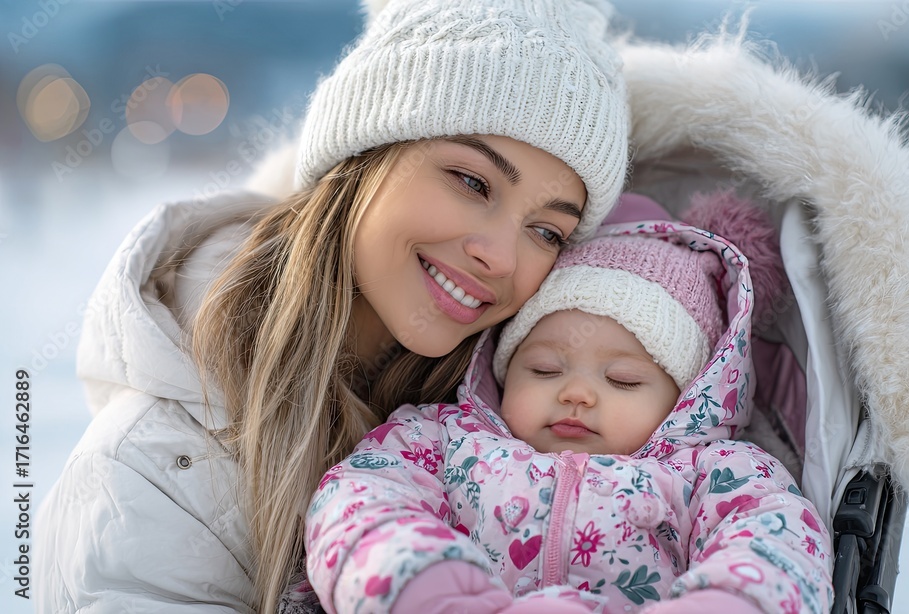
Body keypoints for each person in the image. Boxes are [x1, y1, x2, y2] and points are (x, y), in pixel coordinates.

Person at [33, 0, 630, 612]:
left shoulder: (525, 431)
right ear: (365, 155)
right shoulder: (146, 478)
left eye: (547, 231)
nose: (502, 258)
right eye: (472, 181)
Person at [303, 192, 834, 614]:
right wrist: (430, 591)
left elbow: (775, 544)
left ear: (686, 400)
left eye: (623, 379)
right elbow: (364, 500)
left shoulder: (715, 476)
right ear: (502, 370)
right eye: (545, 369)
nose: (575, 392)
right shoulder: (443, 442)